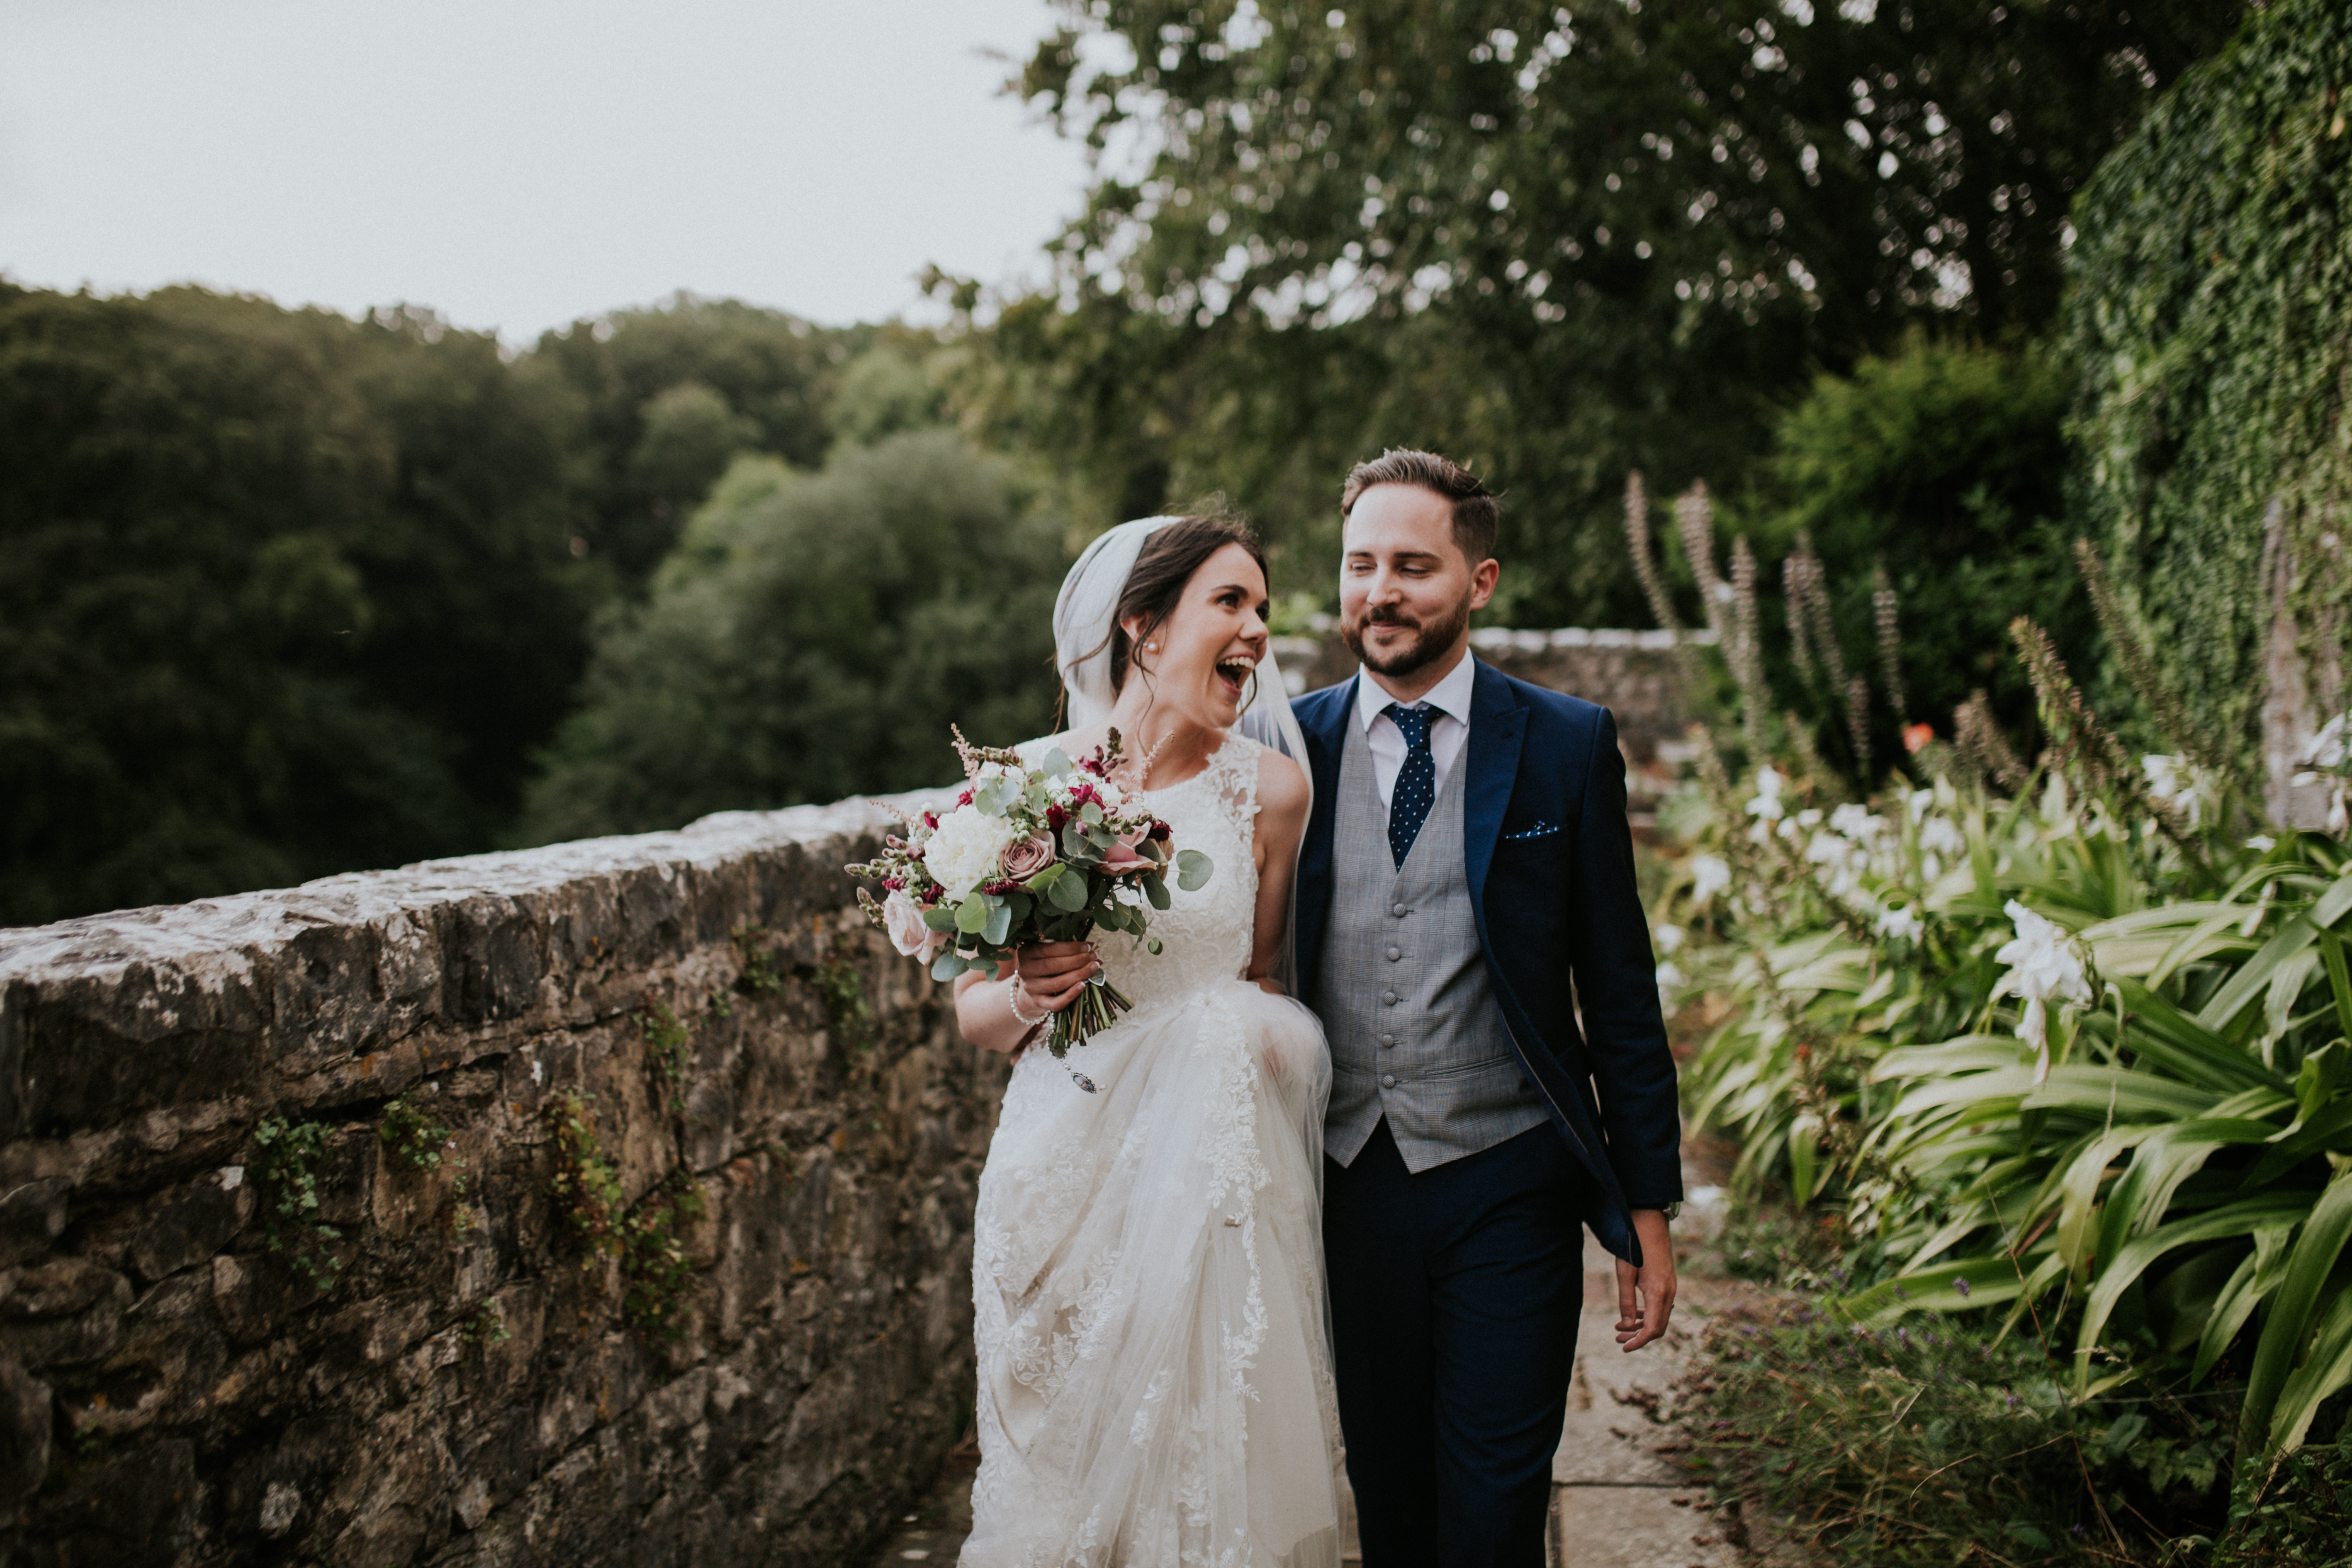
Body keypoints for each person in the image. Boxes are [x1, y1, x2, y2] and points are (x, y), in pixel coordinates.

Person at [1290, 450, 1683, 1568]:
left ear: (1482, 579)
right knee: (1392, 1499)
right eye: (1361, 563)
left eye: (1414, 564)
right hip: (1346, 1179)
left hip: (1508, 1177)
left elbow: (1618, 985)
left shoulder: (1564, 742)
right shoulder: (1288, 748)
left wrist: (1644, 1206)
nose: (1382, 589)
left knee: (1497, 1506)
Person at [953, 516, 1345, 1567]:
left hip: (1204, 1179)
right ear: (1143, 627)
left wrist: (1243, 1035)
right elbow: (974, 1015)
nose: (1257, 631)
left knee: (1197, 1461)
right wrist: (1032, 992)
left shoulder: (1271, 792)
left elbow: (1261, 981)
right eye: (1231, 602)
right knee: (1056, 1471)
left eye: (1262, 607)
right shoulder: (1025, 786)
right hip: (1058, 1167)